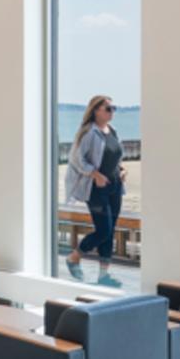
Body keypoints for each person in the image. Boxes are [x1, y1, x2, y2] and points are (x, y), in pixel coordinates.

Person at [63, 95, 128, 286]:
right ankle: (74, 257)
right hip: (95, 189)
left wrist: (122, 170)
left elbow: (114, 156)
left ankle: (103, 276)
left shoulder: (112, 131)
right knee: (104, 230)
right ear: (95, 111)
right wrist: (95, 175)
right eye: (108, 108)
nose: (112, 111)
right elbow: (76, 159)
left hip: (115, 186)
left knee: (110, 231)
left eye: (113, 108)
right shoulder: (89, 133)